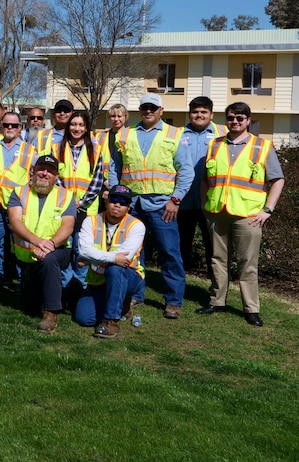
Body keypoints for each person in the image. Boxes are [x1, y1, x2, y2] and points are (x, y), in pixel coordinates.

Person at [198, 102, 285, 327]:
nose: (235, 121)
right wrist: (205, 205)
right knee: (217, 259)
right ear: (225, 120)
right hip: (217, 212)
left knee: (247, 263)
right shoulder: (215, 145)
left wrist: (268, 210)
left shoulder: (262, 146)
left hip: (249, 215)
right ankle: (217, 301)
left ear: (248, 120)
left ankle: (251, 309)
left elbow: (277, 180)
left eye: (240, 118)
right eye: (230, 118)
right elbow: (206, 180)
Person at [111, 93, 193, 319]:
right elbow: (114, 168)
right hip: (132, 205)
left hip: (162, 205)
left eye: (153, 108)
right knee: (134, 252)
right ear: (140, 109)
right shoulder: (125, 135)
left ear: (161, 110)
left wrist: (175, 200)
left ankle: (173, 301)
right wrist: (117, 197)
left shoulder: (175, 134)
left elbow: (186, 170)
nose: (149, 111)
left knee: (169, 253)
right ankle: (136, 293)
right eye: (145, 107)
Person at [8, 155, 77, 334]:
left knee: (49, 261)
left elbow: (68, 225)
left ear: (56, 176)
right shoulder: (19, 192)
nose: (44, 173)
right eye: (41, 168)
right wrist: (38, 242)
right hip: (28, 254)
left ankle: (51, 313)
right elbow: (15, 222)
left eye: (50, 170)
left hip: (58, 250)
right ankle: (67, 294)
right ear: (33, 171)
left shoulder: (66, 195)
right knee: (29, 308)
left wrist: (50, 245)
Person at [0, 110, 37, 291]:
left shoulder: (30, 150)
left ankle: (22, 282)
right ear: (1, 127)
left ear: (20, 128)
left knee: (21, 246)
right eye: (6, 125)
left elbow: (35, 178)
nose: (10, 128)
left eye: (14, 125)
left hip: (18, 208)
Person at [77, 184, 146, 339]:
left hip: (129, 277)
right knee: (84, 318)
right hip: (98, 280)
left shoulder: (136, 226)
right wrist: (112, 257)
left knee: (115, 269)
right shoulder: (91, 221)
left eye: (123, 202)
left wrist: (92, 259)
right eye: (114, 199)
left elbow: (124, 259)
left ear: (128, 207)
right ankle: (121, 304)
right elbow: (83, 251)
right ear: (107, 201)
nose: (117, 204)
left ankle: (111, 321)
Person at [177, 96, 225, 282]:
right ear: (189, 114)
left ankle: (217, 289)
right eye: (195, 112)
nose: (199, 115)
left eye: (203, 112)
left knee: (213, 248)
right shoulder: (177, 134)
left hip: (211, 202)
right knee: (180, 247)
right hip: (183, 201)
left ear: (211, 114)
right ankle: (178, 287)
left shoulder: (223, 134)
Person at [56, 111, 105, 285]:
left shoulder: (96, 149)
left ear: (86, 128)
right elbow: (56, 178)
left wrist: (82, 202)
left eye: (80, 125)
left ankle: (82, 286)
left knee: (81, 248)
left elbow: (98, 180)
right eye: (73, 124)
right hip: (63, 208)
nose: (76, 128)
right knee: (66, 247)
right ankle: (64, 285)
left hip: (87, 209)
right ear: (68, 127)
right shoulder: (57, 148)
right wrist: (69, 201)